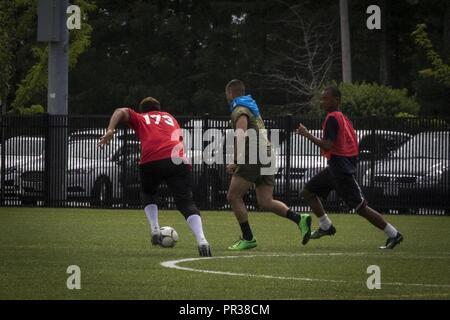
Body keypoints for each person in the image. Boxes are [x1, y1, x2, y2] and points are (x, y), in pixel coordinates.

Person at [98, 97, 212, 256]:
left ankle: (155, 229)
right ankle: (202, 240)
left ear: (143, 110)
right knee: (186, 202)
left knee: (148, 193)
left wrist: (110, 129)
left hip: (151, 159)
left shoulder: (142, 117)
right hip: (177, 159)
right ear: (159, 109)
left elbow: (120, 111)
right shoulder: (171, 118)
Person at [297, 86, 403, 249]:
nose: (323, 101)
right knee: (308, 192)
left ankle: (393, 234)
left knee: (362, 208)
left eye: (326, 98)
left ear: (337, 100)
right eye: (322, 98)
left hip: (340, 172)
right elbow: (351, 145)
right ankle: (326, 226)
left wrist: (306, 134)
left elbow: (328, 144)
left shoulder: (333, 118)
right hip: (335, 168)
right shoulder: (344, 118)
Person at [225, 79, 312, 251]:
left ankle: (248, 238)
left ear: (230, 94)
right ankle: (299, 219)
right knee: (265, 201)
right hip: (268, 154)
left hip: (254, 155)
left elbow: (241, 134)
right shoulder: (252, 107)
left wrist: (235, 160)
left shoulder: (239, 109)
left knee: (233, 197)